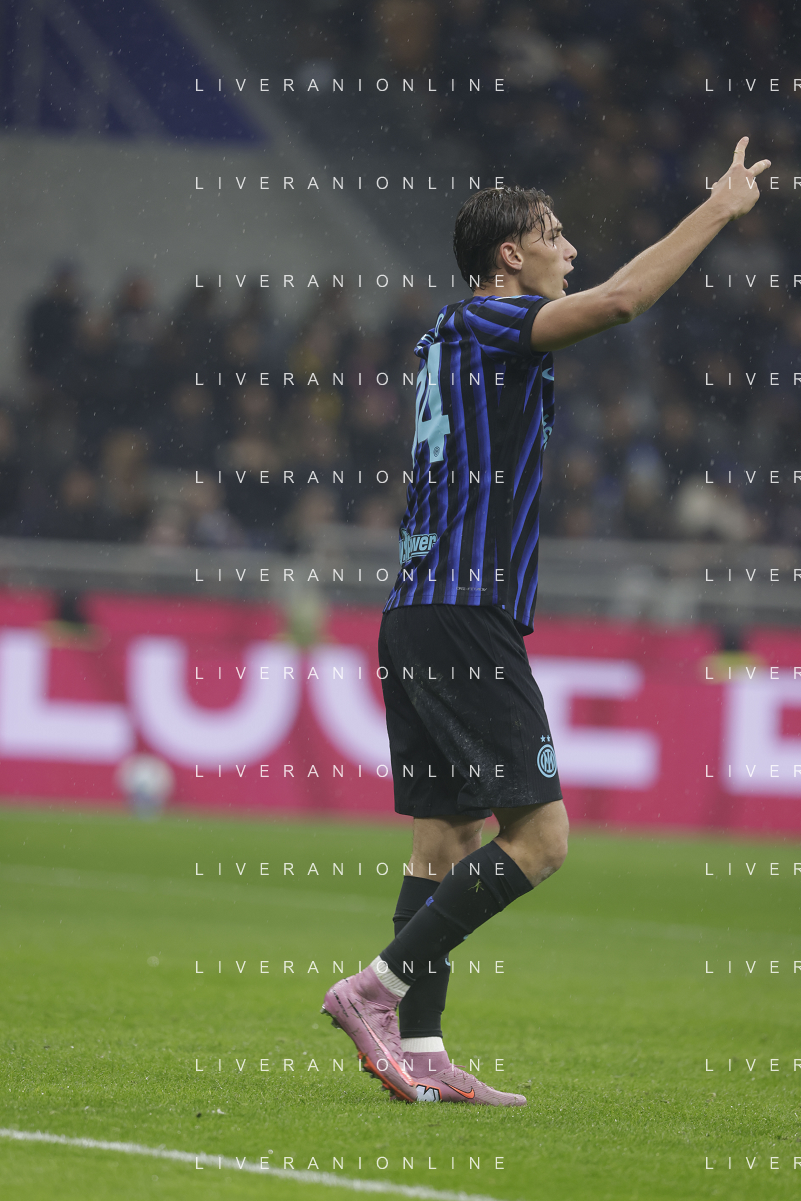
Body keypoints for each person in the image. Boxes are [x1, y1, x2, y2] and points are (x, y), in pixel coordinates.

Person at [322, 138, 770, 1106]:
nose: (569, 248)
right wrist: (719, 209)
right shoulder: (491, 321)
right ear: (508, 257)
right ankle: (375, 989)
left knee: (445, 835)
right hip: (463, 610)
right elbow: (620, 302)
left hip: (417, 608)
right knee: (543, 839)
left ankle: (422, 1048)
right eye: (553, 235)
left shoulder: (443, 336)